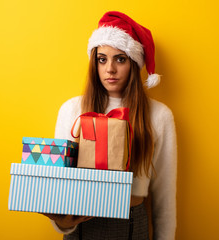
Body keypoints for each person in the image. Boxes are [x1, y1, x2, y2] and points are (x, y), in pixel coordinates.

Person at [45, 11, 177, 240]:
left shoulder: (159, 115)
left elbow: (164, 196)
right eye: (102, 59)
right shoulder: (71, 110)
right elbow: (58, 190)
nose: (110, 70)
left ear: (134, 63)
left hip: (130, 226)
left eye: (120, 59)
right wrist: (64, 225)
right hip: (81, 227)